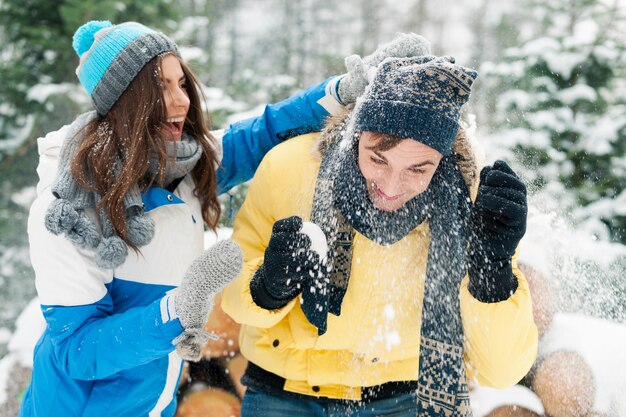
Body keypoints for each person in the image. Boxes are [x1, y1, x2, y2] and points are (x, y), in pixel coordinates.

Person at [19, 20, 429, 417]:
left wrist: (344, 90)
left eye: (182, 83)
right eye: (159, 87)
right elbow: (75, 351)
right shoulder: (66, 212)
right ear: (122, 100)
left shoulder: (184, 166)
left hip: (151, 406)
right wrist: (176, 311)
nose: (181, 101)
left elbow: (263, 133)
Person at [221, 55, 539, 416]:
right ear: (357, 134)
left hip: (406, 399)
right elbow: (234, 297)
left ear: (444, 158)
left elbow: (502, 371)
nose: (390, 187)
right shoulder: (290, 167)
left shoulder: (470, 198)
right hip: (284, 394)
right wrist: (269, 285)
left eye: (418, 169)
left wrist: (492, 274)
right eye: (378, 159)